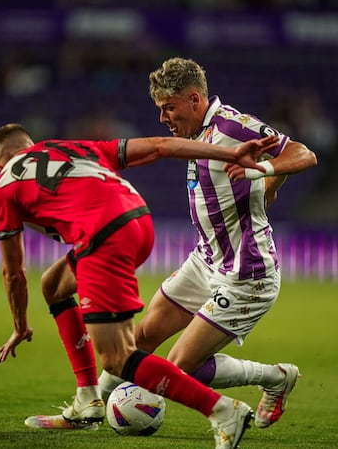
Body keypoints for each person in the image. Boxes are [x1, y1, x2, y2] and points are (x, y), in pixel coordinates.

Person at [24, 57, 317, 434]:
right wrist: (266, 187)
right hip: (205, 261)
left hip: (247, 275)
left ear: (195, 100)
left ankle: (276, 378)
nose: (164, 118)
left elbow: (303, 154)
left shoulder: (231, 127)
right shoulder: (199, 134)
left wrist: (265, 172)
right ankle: (89, 410)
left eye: (169, 108)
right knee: (139, 341)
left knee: (181, 368)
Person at [0, 123, 280, 448]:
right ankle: (88, 400)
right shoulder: (71, 148)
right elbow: (160, 145)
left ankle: (222, 410)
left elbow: (13, 272)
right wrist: (230, 152)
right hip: (138, 220)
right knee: (54, 284)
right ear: (32, 145)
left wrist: (20, 324)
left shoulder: (3, 185)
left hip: (103, 237)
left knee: (117, 358)